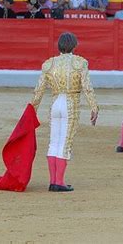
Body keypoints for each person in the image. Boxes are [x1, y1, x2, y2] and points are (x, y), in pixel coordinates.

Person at [31, 32, 99, 192]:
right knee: (65, 142)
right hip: (70, 104)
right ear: (74, 46)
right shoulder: (79, 63)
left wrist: (32, 109)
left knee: (53, 142)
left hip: (55, 104)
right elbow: (87, 87)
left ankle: (53, 180)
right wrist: (94, 106)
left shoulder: (49, 64)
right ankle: (59, 182)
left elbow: (39, 90)